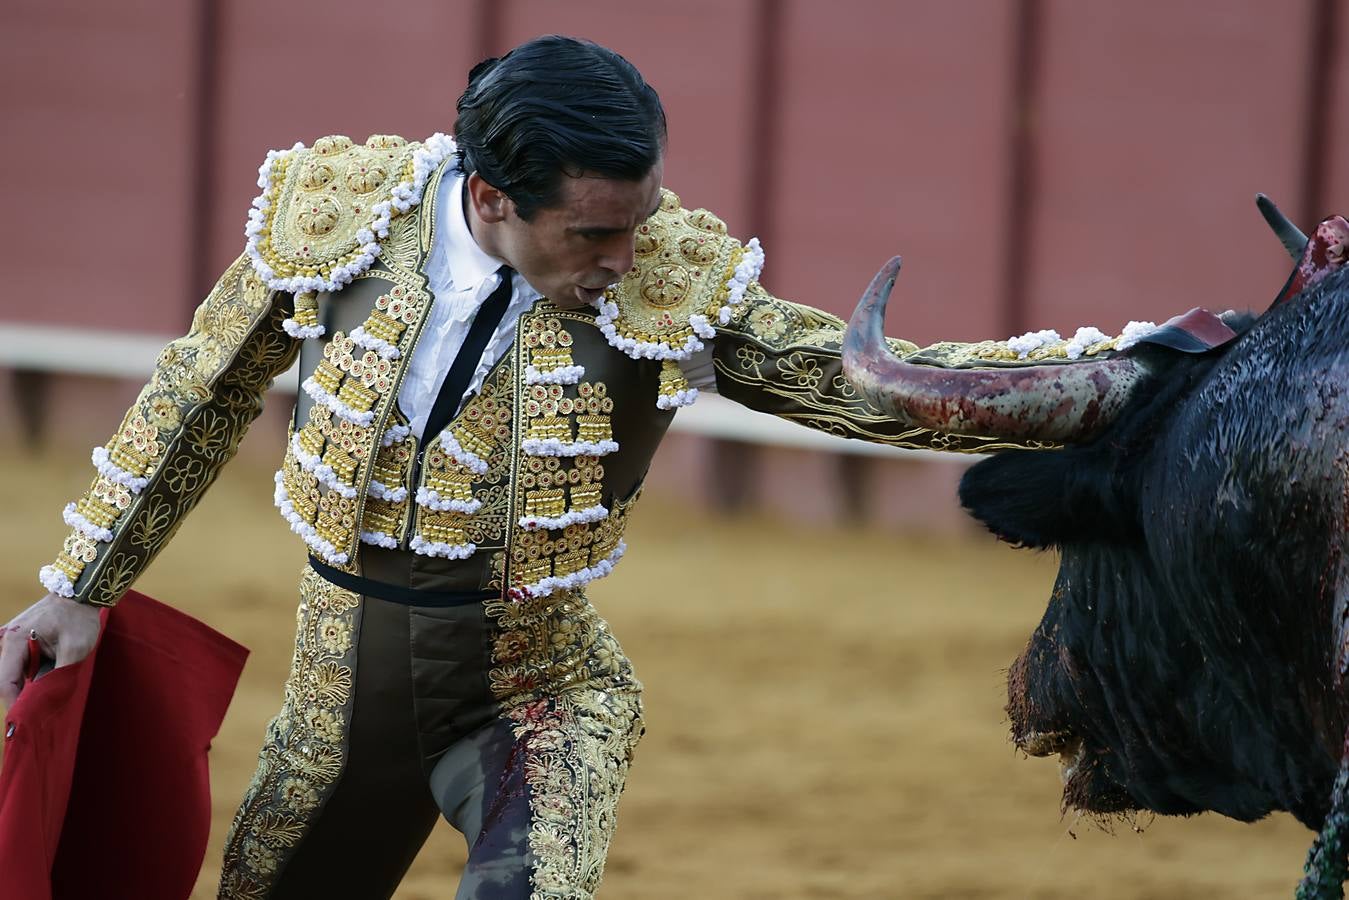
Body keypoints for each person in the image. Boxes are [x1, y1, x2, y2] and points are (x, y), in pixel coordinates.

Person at [4, 35, 1037, 899]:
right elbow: (203, 387)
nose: (626, 261)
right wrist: (79, 587)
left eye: (635, 223)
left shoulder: (668, 282)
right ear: (492, 197)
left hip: (538, 694)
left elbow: (856, 382)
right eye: (593, 233)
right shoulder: (341, 223)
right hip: (335, 696)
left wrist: (1097, 388)